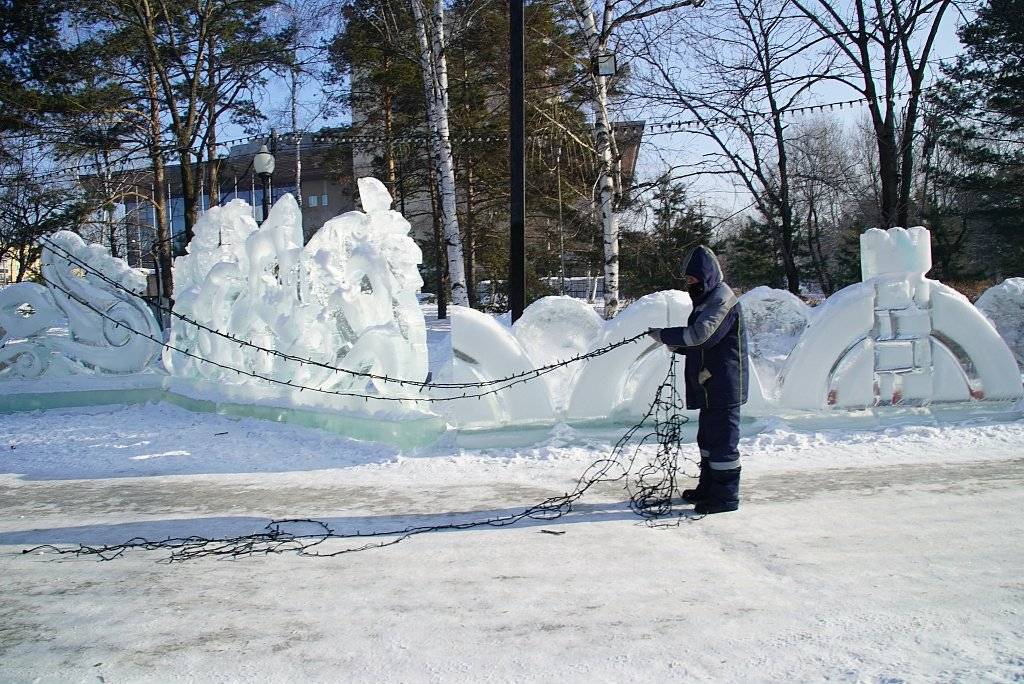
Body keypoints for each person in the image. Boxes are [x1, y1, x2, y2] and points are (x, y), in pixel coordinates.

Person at [646, 245, 748, 514]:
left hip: (725, 385)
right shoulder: (707, 299)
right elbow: (704, 343)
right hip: (710, 384)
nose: (690, 285)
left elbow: (701, 335)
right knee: (708, 439)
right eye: (687, 281)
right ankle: (708, 488)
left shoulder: (722, 301)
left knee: (723, 442)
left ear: (708, 277)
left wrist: (666, 336)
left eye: (693, 280)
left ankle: (725, 498)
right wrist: (678, 345)